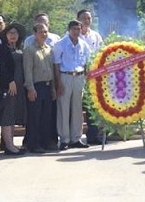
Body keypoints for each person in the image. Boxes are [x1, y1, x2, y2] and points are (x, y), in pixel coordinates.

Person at [53, 19, 92, 150]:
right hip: (65, 76)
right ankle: (64, 139)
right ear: (69, 30)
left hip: (79, 77)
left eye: (78, 29)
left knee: (77, 108)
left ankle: (76, 138)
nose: (76, 31)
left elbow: (87, 63)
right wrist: (58, 83)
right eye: (74, 29)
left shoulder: (83, 44)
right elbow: (56, 64)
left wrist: (87, 79)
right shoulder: (61, 44)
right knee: (63, 108)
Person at [0, 22, 28, 155]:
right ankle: (9, 146)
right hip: (8, 87)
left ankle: (12, 144)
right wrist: (10, 81)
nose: (13, 35)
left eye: (15, 33)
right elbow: (1, 67)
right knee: (7, 116)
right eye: (10, 33)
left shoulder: (19, 48)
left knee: (14, 115)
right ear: (6, 35)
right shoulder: (1, 48)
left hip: (20, 86)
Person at [23, 22, 56, 153]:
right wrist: (30, 88)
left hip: (47, 86)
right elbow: (28, 70)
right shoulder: (30, 49)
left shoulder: (49, 49)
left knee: (46, 116)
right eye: (40, 31)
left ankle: (45, 142)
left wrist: (53, 88)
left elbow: (51, 70)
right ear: (35, 33)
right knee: (35, 117)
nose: (43, 34)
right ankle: (33, 144)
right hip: (36, 86)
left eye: (45, 31)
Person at [78, 9, 104, 144]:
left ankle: (93, 135)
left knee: (93, 106)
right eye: (84, 18)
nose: (87, 21)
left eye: (89, 18)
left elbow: (102, 53)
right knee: (77, 107)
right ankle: (74, 137)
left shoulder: (96, 36)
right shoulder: (72, 34)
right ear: (78, 19)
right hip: (77, 75)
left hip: (94, 76)